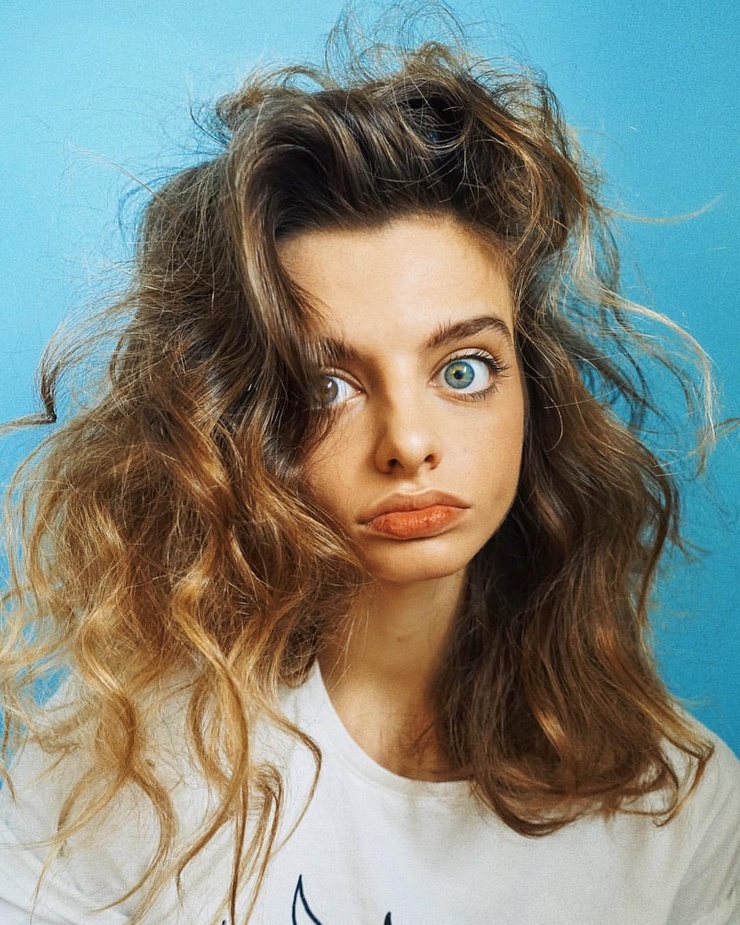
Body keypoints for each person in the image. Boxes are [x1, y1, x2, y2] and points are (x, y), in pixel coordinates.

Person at [1, 15, 738, 925]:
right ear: (236, 422)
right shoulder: (121, 777)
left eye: (463, 370)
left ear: (535, 391)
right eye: (328, 386)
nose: (408, 443)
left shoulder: (675, 804)